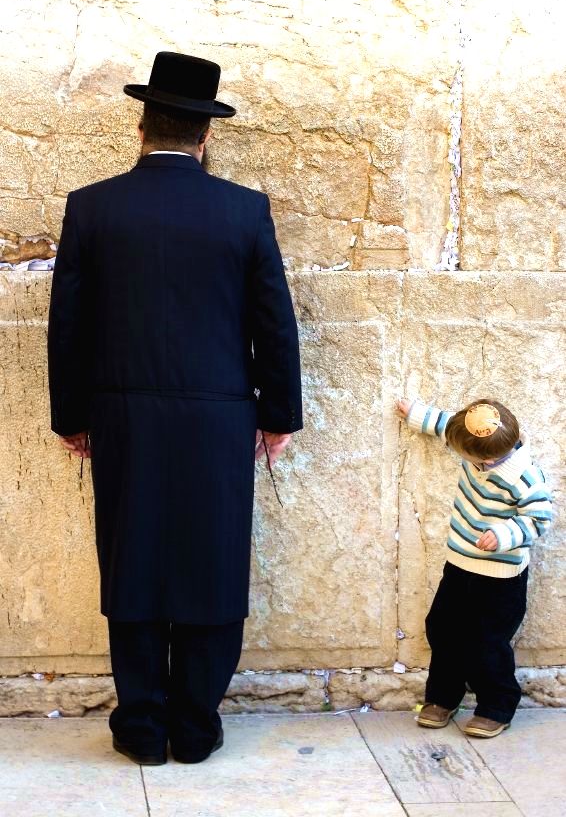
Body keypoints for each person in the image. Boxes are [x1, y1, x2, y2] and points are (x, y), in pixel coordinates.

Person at [48, 52, 303, 765]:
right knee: (212, 565)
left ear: (140, 127)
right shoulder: (244, 211)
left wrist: (71, 415)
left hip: (123, 415)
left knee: (131, 564)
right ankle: (194, 727)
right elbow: (273, 323)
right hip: (219, 418)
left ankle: (140, 729)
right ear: (206, 136)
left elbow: (68, 324)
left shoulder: (91, 206)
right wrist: (277, 414)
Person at [396, 396, 552, 738]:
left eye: (461, 453)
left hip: (501, 577)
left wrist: (504, 534)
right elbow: (449, 427)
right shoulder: (476, 441)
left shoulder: (525, 477)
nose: (457, 454)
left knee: (487, 642)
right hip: (460, 564)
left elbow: (539, 519)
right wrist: (418, 414)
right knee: (442, 628)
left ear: (488, 458)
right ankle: (442, 697)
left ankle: (496, 706)